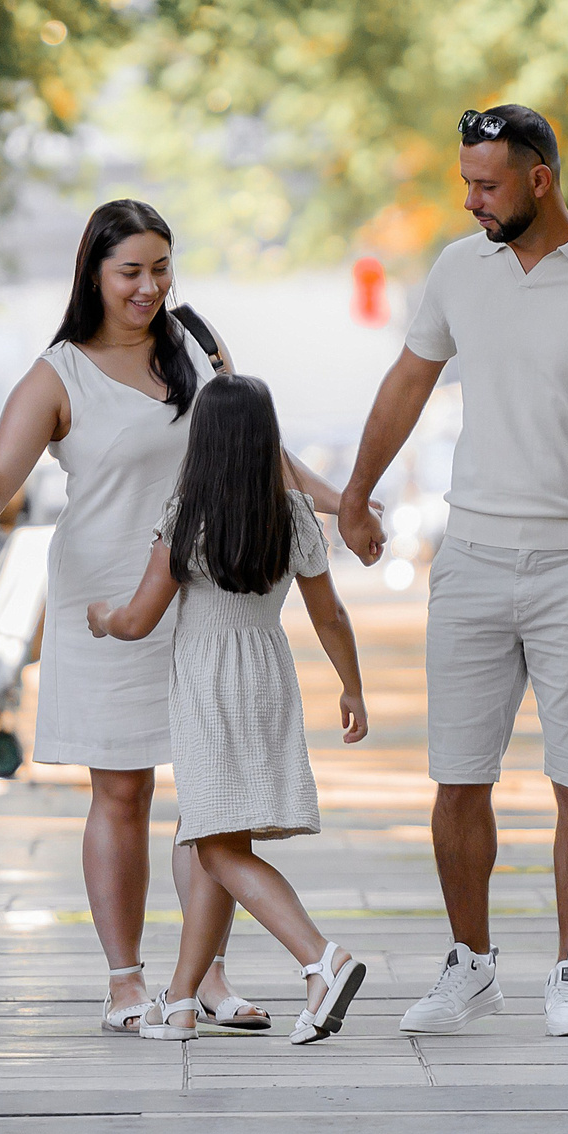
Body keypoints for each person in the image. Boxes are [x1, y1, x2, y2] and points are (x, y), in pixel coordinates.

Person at [0, 200, 353, 1036]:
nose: (149, 286)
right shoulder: (59, 373)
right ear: (94, 272)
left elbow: (258, 449)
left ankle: (202, 978)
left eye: (161, 267)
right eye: (131, 270)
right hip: (106, 599)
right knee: (122, 792)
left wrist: (343, 504)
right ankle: (126, 981)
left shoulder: (198, 350)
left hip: (200, 600)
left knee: (210, 801)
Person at [338, 104, 568, 1039]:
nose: (471, 202)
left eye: (487, 185)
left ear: (541, 178)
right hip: (474, 556)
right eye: (466, 183)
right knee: (458, 778)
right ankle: (471, 961)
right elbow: (408, 382)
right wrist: (357, 491)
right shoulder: (460, 270)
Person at [86, 374, 370, 1045]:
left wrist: (102, 617)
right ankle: (182, 999)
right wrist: (351, 685)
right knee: (217, 834)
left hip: (209, 685)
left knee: (216, 842)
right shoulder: (294, 512)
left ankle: (320, 957)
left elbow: (139, 617)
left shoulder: (187, 514)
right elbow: (329, 612)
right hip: (269, 677)